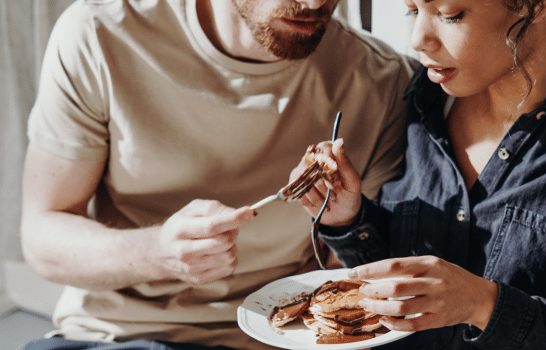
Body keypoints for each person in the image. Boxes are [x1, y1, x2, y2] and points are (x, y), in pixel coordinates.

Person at [20, 0, 413, 349]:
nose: (314, 3)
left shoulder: (381, 79)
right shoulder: (98, 36)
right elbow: (42, 239)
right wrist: (158, 251)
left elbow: (349, 280)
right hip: (116, 334)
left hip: (278, 338)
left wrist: (343, 222)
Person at [294, 0, 546, 349]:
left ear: (536, 5)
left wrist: (485, 306)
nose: (417, 40)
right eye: (411, 10)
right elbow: (406, 296)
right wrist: (349, 220)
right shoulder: (424, 102)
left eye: (450, 15)